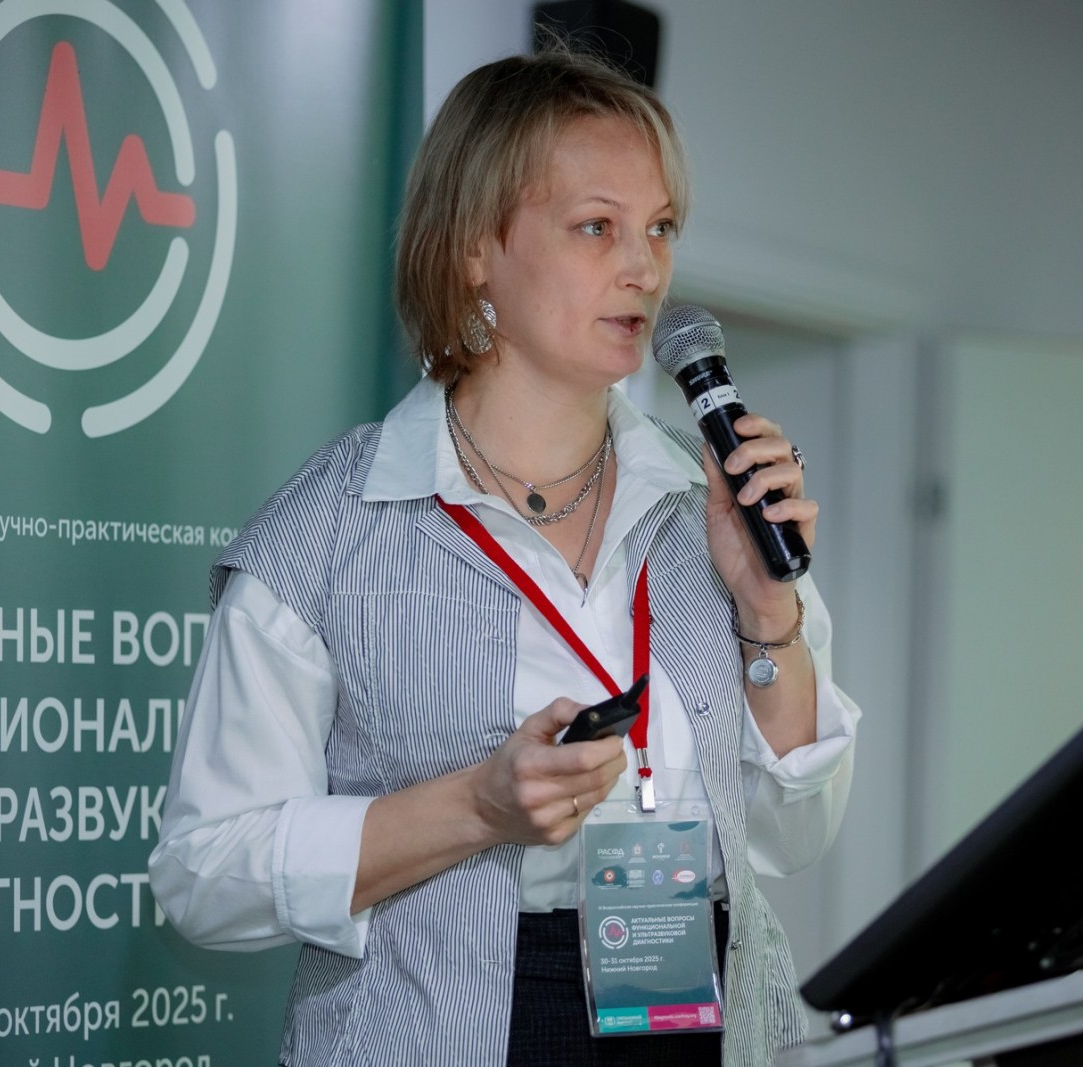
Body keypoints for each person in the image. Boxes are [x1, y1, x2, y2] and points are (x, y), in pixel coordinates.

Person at [149, 45, 859, 1067]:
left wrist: (768, 616)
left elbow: (794, 836)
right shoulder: (331, 527)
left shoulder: (710, 502)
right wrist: (474, 806)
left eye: (660, 227)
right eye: (596, 226)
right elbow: (203, 873)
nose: (645, 267)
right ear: (476, 248)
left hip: (698, 1020)